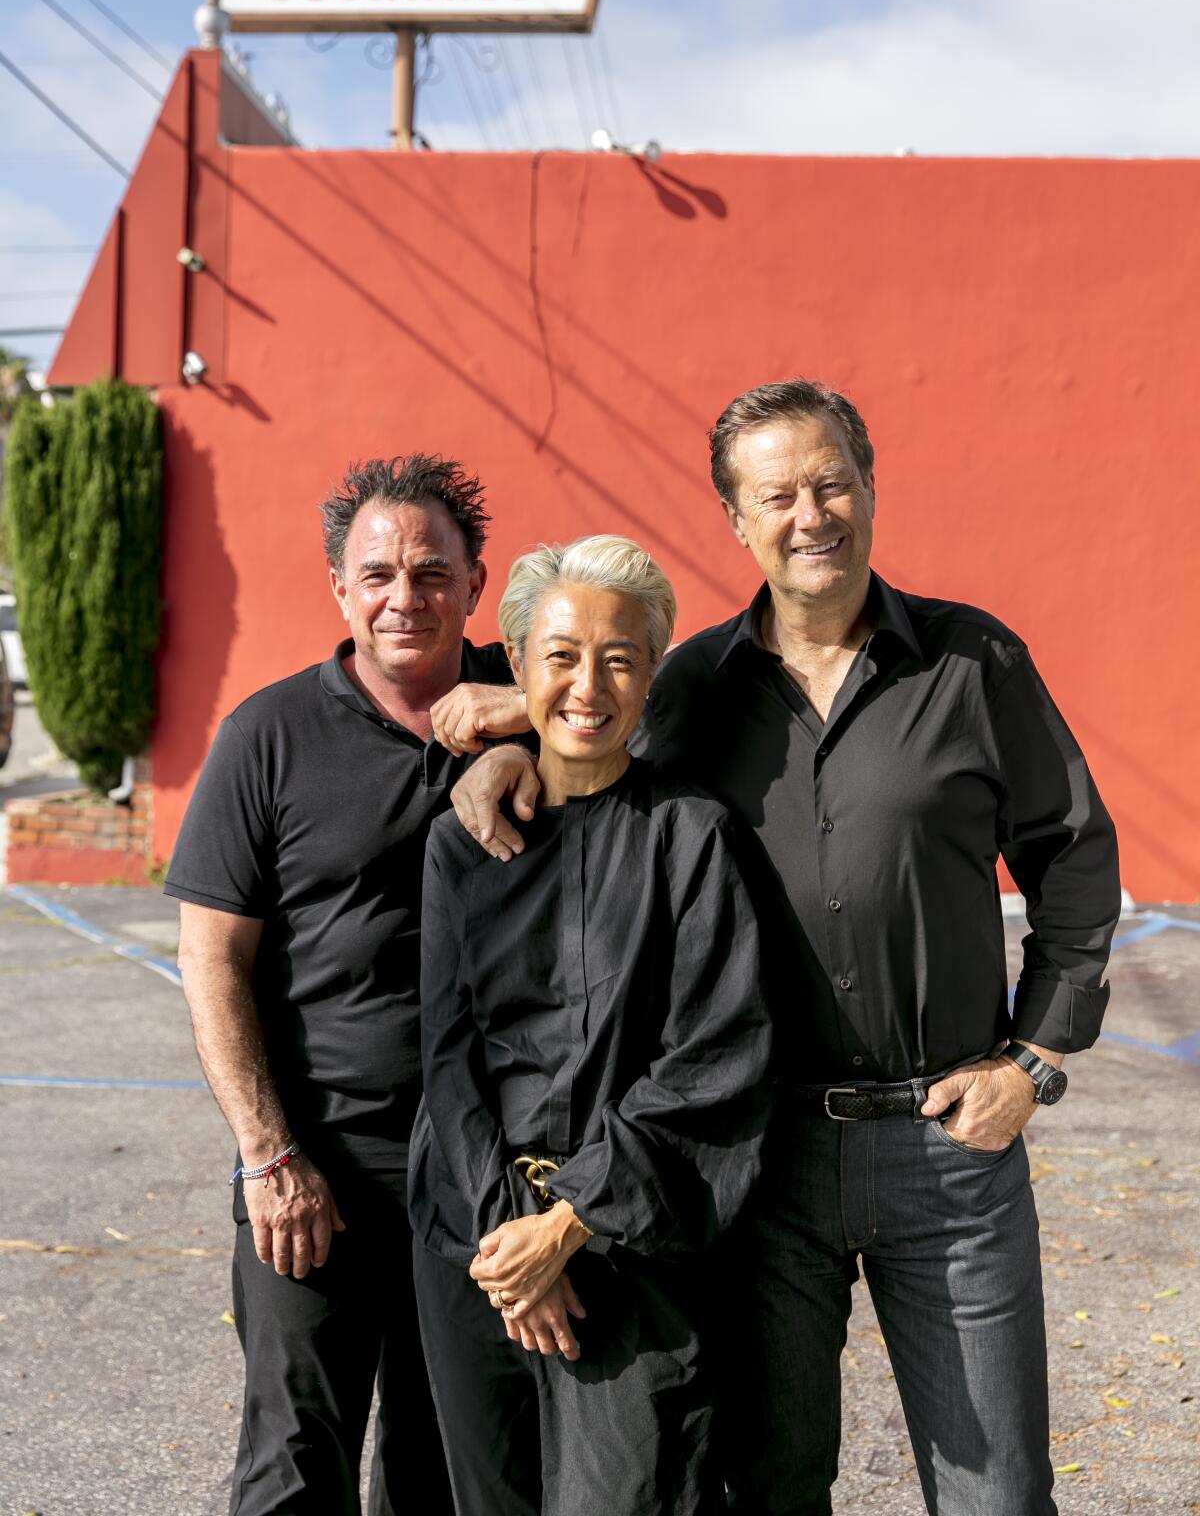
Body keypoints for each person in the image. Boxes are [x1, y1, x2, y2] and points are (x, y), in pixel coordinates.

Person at [440, 380, 1122, 1516]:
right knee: (768, 1484)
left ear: (869, 488)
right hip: (764, 1164)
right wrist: (511, 744)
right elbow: (593, 733)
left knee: (997, 1493)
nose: (812, 514)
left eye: (831, 483)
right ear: (736, 522)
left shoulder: (971, 663)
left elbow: (1078, 858)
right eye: (779, 495)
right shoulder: (696, 687)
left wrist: (1035, 1061)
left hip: (948, 1151)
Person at [168, 454, 513, 1516]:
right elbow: (211, 962)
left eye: (429, 572)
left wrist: (525, 722)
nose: (403, 597)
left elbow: (650, 709)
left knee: (443, 1465)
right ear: (339, 589)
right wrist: (268, 1155)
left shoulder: (543, 706)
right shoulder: (266, 738)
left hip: (481, 1172)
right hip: (317, 1168)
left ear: (475, 582)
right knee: (292, 1465)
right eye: (376, 575)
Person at [409, 535, 774, 1516]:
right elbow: (449, 1058)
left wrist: (570, 1223)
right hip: (477, 1249)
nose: (587, 683)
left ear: (653, 671)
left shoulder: (693, 839)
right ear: (516, 665)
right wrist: (512, 1243)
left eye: (619, 657)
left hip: (634, 1244)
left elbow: (714, 1061)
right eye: (560, 655)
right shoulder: (462, 842)